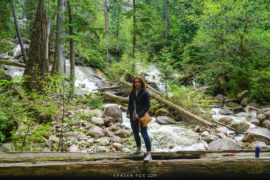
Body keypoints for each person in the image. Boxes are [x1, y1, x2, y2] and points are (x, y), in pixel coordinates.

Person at [126, 76, 152, 161]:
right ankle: (138, 150)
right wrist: (128, 113)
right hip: (133, 116)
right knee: (135, 133)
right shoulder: (132, 92)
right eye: (135, 82)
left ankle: (149, 154)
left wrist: (139, 114)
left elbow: (147, 106)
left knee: (144, 134)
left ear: (141, 83)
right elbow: (130, 104)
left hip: (141, 117)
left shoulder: (145, 92)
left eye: (138, 82)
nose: (137, 83)